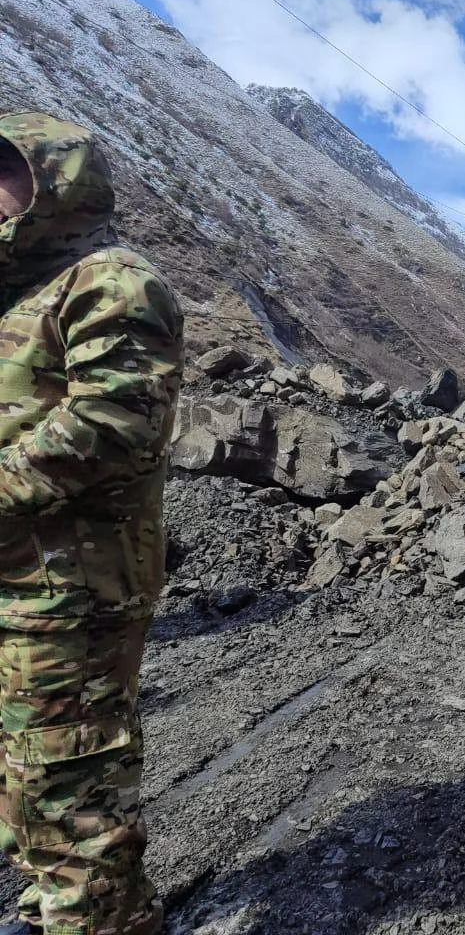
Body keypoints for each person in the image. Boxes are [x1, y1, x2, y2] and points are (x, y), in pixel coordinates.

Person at [0, 112, 183, 934]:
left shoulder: (108, 280)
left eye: (6, 170)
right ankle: (56, 913)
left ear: (53, 179)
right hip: (17, 583)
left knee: (72, 787)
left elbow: (114, 424)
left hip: (72, 589)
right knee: (22, 785)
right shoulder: (17, 287)